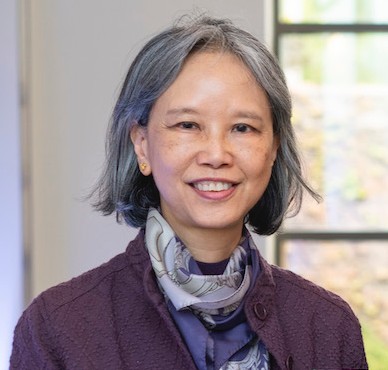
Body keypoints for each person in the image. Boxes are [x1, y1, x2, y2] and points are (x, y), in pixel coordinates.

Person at [10, 15, 368, 370]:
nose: (216, 155)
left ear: (273, 148)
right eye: (188, 125)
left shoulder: (328, 327)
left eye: (243, 128)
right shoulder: (57, 329)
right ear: (142, 146)